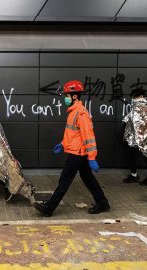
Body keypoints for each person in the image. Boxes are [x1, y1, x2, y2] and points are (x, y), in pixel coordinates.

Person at [34, 80, 109, 217]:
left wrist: (92, 157)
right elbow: (73, 134)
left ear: (75, 96)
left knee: (65, 179)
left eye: (67, 95)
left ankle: (49, 208)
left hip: (78, 153)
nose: (65, 98)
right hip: (77, 151)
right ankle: (102, 202)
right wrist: (62, 144)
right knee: (87, 178)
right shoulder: (73, 112)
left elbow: (89, 137)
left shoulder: (81, 114)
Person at [122, 88, 147, 186]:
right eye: (133, 98)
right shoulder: (137, 106)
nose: (133, 99)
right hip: (135, 137)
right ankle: (134, 174)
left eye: (135, 97)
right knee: (131, 153)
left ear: (141, 97)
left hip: (146, 137)